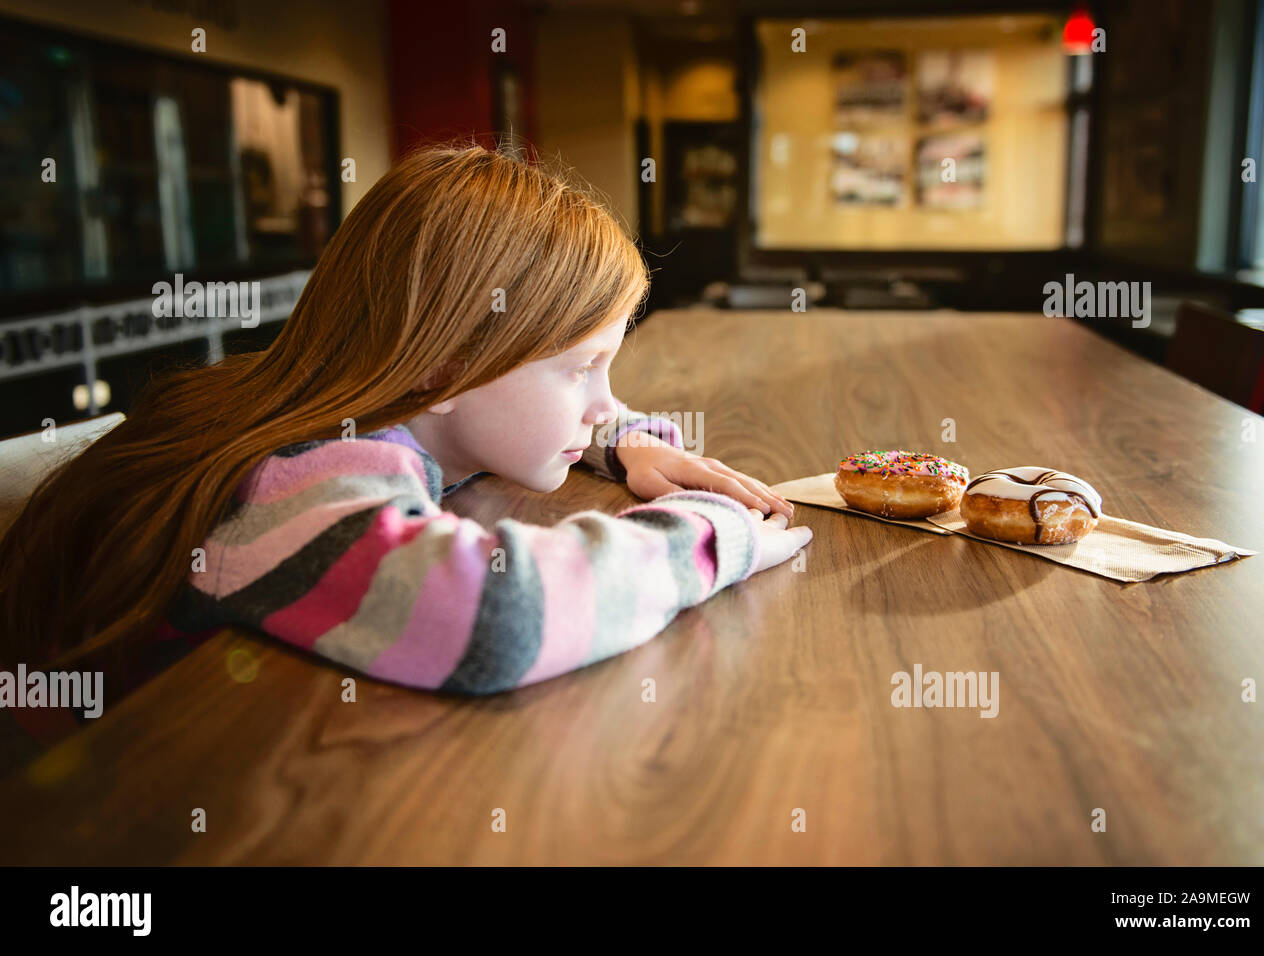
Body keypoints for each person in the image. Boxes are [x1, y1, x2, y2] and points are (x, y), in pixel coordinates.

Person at [0, 142, 812, 769]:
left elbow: (509, 411)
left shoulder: (345, 401)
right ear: (445, 364)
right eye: (580, 368)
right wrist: (711, 535)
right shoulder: (301, 475)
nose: (606, 399)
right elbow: (493, 617)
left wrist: (614, 437)